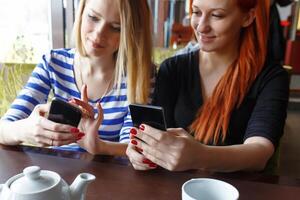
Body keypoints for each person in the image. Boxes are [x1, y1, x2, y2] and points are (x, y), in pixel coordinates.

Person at [126, 0, 289, 172]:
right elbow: (157, 132)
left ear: (248, 17)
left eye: (217, 15)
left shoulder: (270, 77)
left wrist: (200, 156)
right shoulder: (172, 69)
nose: (201, 27)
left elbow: (260, 152)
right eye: (196, 13)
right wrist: (142, 148)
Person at [0, 0, 153, 156]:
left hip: (111, 176)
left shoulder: (140, 76)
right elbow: (3, 128)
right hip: (56, 174)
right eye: (93, 17)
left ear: (133, 33)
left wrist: (99, 146)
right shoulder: (53, 63)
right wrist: (28, 130)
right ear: (81, 12)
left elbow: (135, 149)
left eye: (116, 28)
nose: (99, 33)